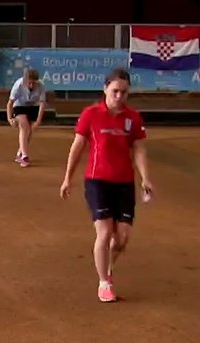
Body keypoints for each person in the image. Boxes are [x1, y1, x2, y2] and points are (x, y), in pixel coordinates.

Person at [60, 68, 153, 304]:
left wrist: (145, 177)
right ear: (105, 89)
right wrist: (67, 178)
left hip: (124, 183)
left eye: (124, 92)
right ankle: (104, 283)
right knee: (104, 232)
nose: (119, 96)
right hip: (97, 181)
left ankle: (108, 269)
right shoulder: (91, 114)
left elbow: (139, 149)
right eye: (115, 91)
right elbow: (77, 147)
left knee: (122, 238)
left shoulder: (133, 118)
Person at [6, 68, 46, 167]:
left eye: (34, 83)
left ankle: (20, 152)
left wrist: (38, 121)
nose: (31, 85)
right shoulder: (18, 85)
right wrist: (10, 118)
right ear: (25, 80)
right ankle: (24, 156)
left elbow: (42, 104)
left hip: (33, 106)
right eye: (29, 83)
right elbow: (10, 103)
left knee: (29, 131)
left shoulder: (41, 86)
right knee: (24, 126)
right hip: (19, 106)